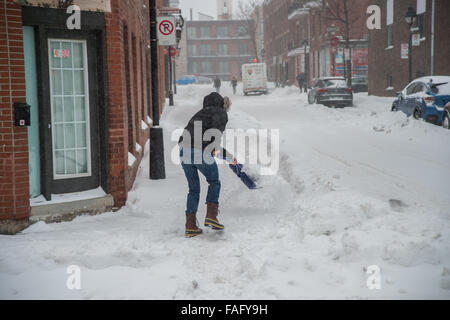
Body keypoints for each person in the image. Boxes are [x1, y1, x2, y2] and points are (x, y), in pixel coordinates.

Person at [178, 92, 237, 238]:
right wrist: (229, 157)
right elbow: (214, 140)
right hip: (200, 152)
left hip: (184, 151)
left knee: (193, 189)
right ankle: (211, 216)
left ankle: (190, 226)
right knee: (214, 182)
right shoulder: (220, 113)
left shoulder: (200, 113)